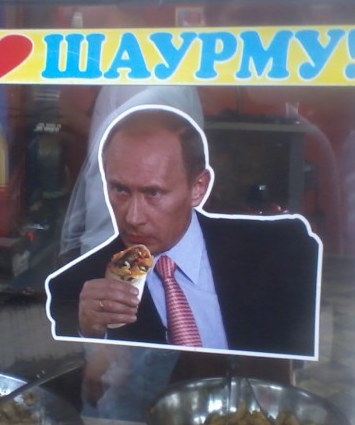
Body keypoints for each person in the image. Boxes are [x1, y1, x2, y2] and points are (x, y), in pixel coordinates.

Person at [47, 105, 322, 359]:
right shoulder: (76, 288)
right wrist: (90, 335)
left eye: (153, 193)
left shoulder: (280, 247)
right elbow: (76, 384)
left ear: (198, 188)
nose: (133, 217)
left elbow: (300, 362)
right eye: (120, 190)